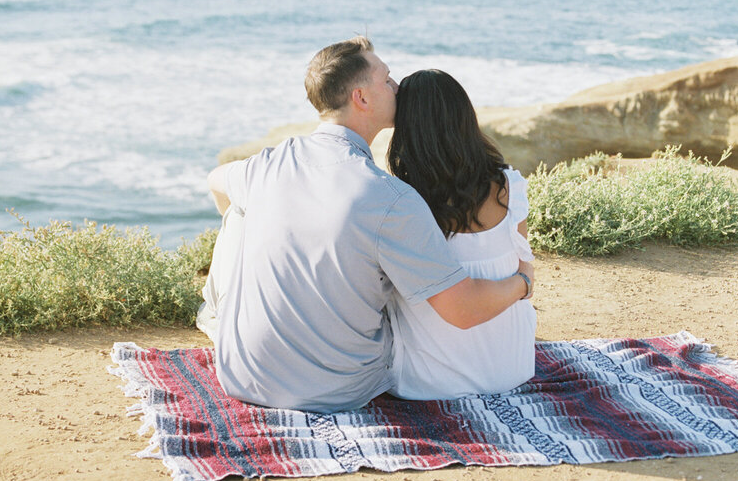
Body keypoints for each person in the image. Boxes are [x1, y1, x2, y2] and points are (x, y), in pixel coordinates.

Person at [198, 37, 534, 412]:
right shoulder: (389, 198)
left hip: (242, 374)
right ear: (362, 97)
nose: (397, 87)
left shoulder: (268, 165)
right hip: (338, 389)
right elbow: (462, 310)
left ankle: (222, 321)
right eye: (387, 79)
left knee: (240, 213)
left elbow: (216, 180)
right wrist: (523, 282)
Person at [385, 69, 537, 399]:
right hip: (513, 368)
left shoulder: (400, 202)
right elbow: (526, 266)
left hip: (429, 382)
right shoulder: (510, 187)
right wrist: (524, 284)